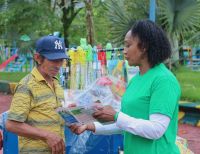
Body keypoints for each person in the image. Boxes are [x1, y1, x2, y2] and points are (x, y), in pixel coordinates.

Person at [69, 20, 181, 154]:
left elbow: (156, 130)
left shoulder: (164, 80)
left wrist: (116, 115)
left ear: (144, 46)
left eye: (128, 45)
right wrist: (90, 126)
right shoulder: (136, 80)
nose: (124, 51)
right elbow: (126, 124)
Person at [6, 35, 69, 154]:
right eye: (53, 60)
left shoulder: (56, 82)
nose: (58, 65)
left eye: (61, 60)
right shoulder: (27, 85)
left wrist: (70, 117)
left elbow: (52, 114)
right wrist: (46, 135)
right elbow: (11, 124)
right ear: (38, 58)